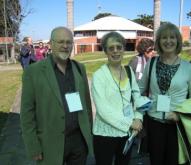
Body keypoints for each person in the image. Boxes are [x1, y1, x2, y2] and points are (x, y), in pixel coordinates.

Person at [20, 26, 93, 165]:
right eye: (60, 42)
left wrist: (88, 134)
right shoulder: (33, 72)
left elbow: (87, 105)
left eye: (68, 42)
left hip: (79, 142)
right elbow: (27, 114)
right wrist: (33, 146)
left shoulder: (79, 68)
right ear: (51, 44)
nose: (65, 46)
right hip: (49, 144)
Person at [138, 22, 191, 165]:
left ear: (178, 40)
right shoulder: (152, 63)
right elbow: (139, 90)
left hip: (177, 125)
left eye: (172, 37)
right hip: (154, 124)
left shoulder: (188, 68)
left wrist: (180, 114)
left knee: (175, 161)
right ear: (159, 41)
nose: (168, 41)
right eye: (164, 37)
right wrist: (139, 114)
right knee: (156, 161)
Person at [91, 32, 151, 165]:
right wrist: (130, 123)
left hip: (127, 135)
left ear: (124, 49)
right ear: (105, 51)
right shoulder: (99, 76)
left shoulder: (129, 71)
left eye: (119, 47)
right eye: (111, 48)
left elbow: (137, 98)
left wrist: (138, 118)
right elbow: (103, 110)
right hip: (105, 135)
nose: (116, 51)